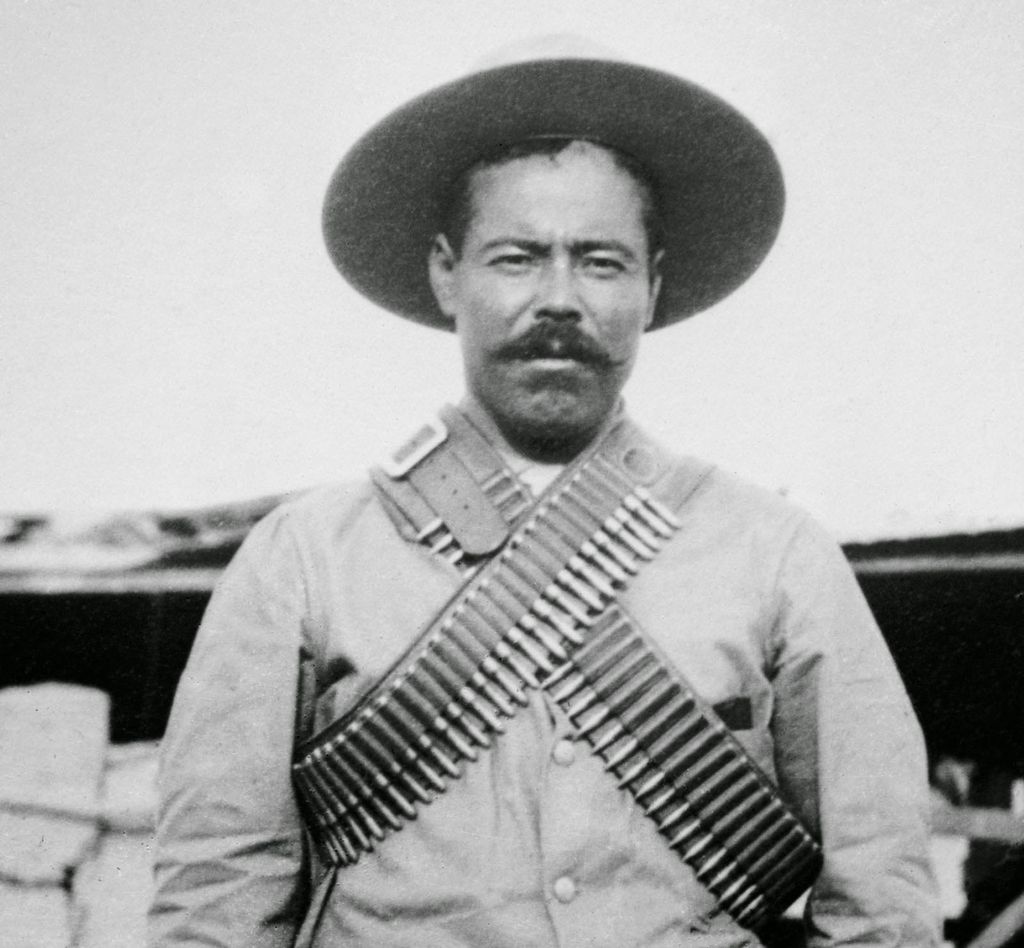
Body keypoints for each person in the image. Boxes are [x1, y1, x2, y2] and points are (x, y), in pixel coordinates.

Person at [149, 46, 941, 948]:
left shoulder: (779, 555)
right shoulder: (302, 559)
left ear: (653, 286)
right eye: (517, 258)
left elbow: (882, 899)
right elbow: (215, 902)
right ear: (447, 273)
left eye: (601, 262)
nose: (559, 299)